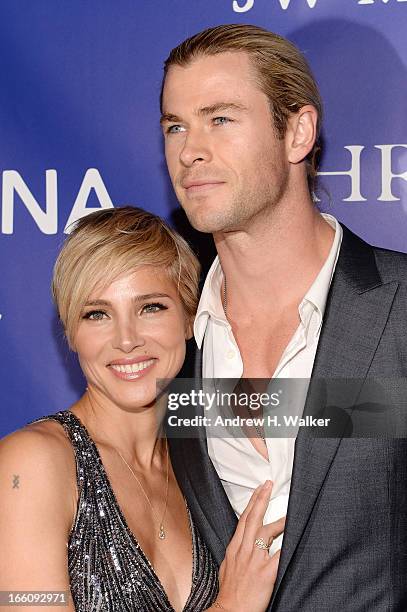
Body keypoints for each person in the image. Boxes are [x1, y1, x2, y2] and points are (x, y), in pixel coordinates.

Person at [160, 24, 407, 611]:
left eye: (220, 118)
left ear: (298, 131)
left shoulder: (399, 306)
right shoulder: (164, 338)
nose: (190, 149)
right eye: (175, 125)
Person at [0, 207, 284, 612]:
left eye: (151, 307)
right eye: (97, 314)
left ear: (190, 318)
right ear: (71, 332)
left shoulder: (207, 461)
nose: (127, 339)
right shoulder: (28, 465)